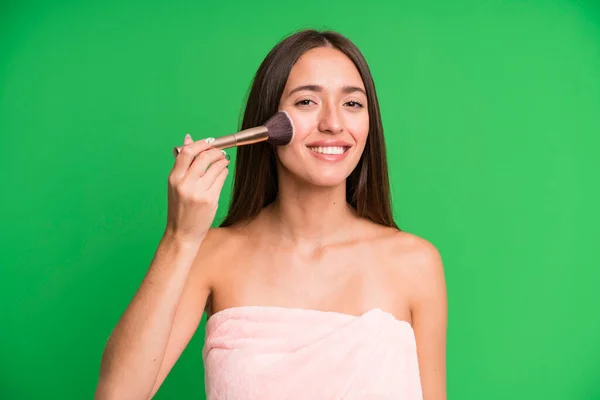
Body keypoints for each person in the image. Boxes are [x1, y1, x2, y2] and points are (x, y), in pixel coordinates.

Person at [95, 29, 447, 400]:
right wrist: (179, 238)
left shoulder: (416, 264)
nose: (333, 123)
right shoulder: (212, 255)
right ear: (267, 125)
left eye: (352, 104)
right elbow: (117, 395)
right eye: (308, 101)